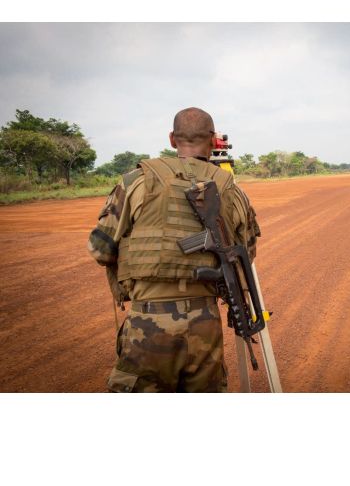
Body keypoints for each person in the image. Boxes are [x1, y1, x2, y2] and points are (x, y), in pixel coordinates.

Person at [87, 107, 260, 392]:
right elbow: (246, 254)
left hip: (148, 322)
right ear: (214, 140)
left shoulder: (137, 181)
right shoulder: (231, 188)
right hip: (206, 322)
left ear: (172, 139)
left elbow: (100, 250)